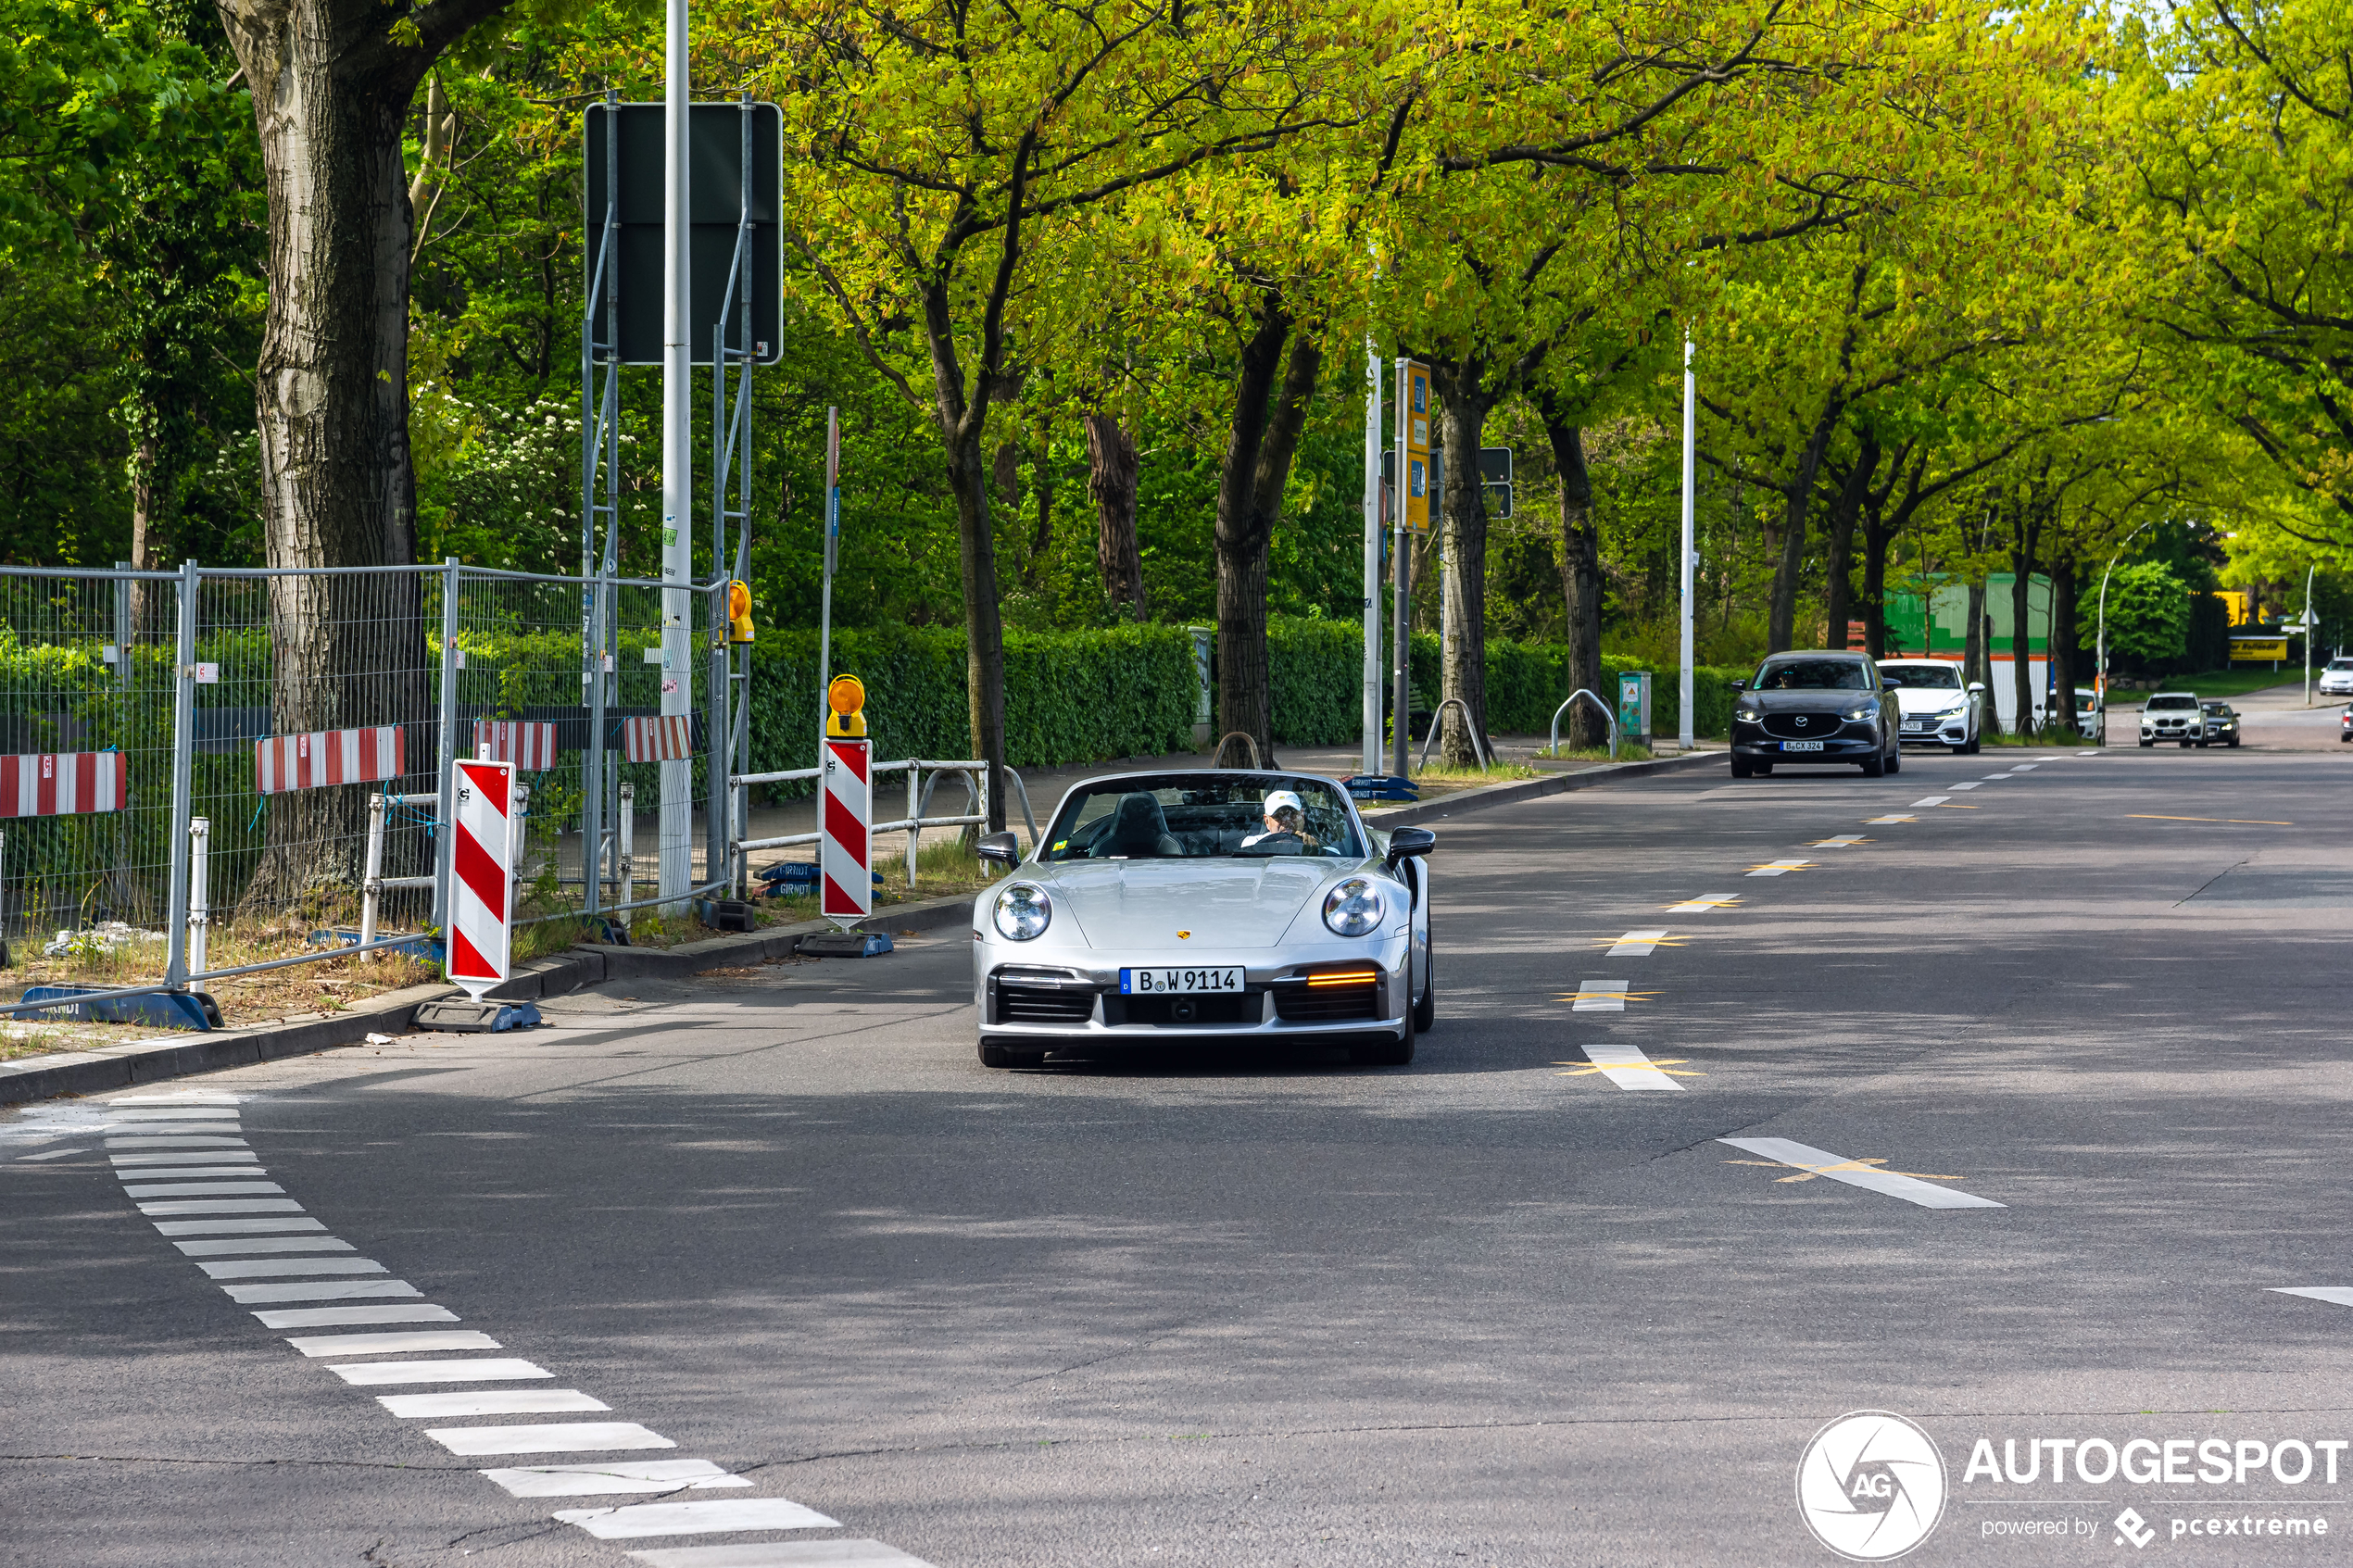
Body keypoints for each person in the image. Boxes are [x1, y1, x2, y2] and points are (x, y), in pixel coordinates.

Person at [1240, 788, 1315, 849]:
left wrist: (1314, 851)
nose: (1286, 820)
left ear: (1302, 816)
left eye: (1292, 813)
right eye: (1278, 816)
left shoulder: (1318, 846)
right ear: (1267, 821)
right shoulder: (1251, 843)